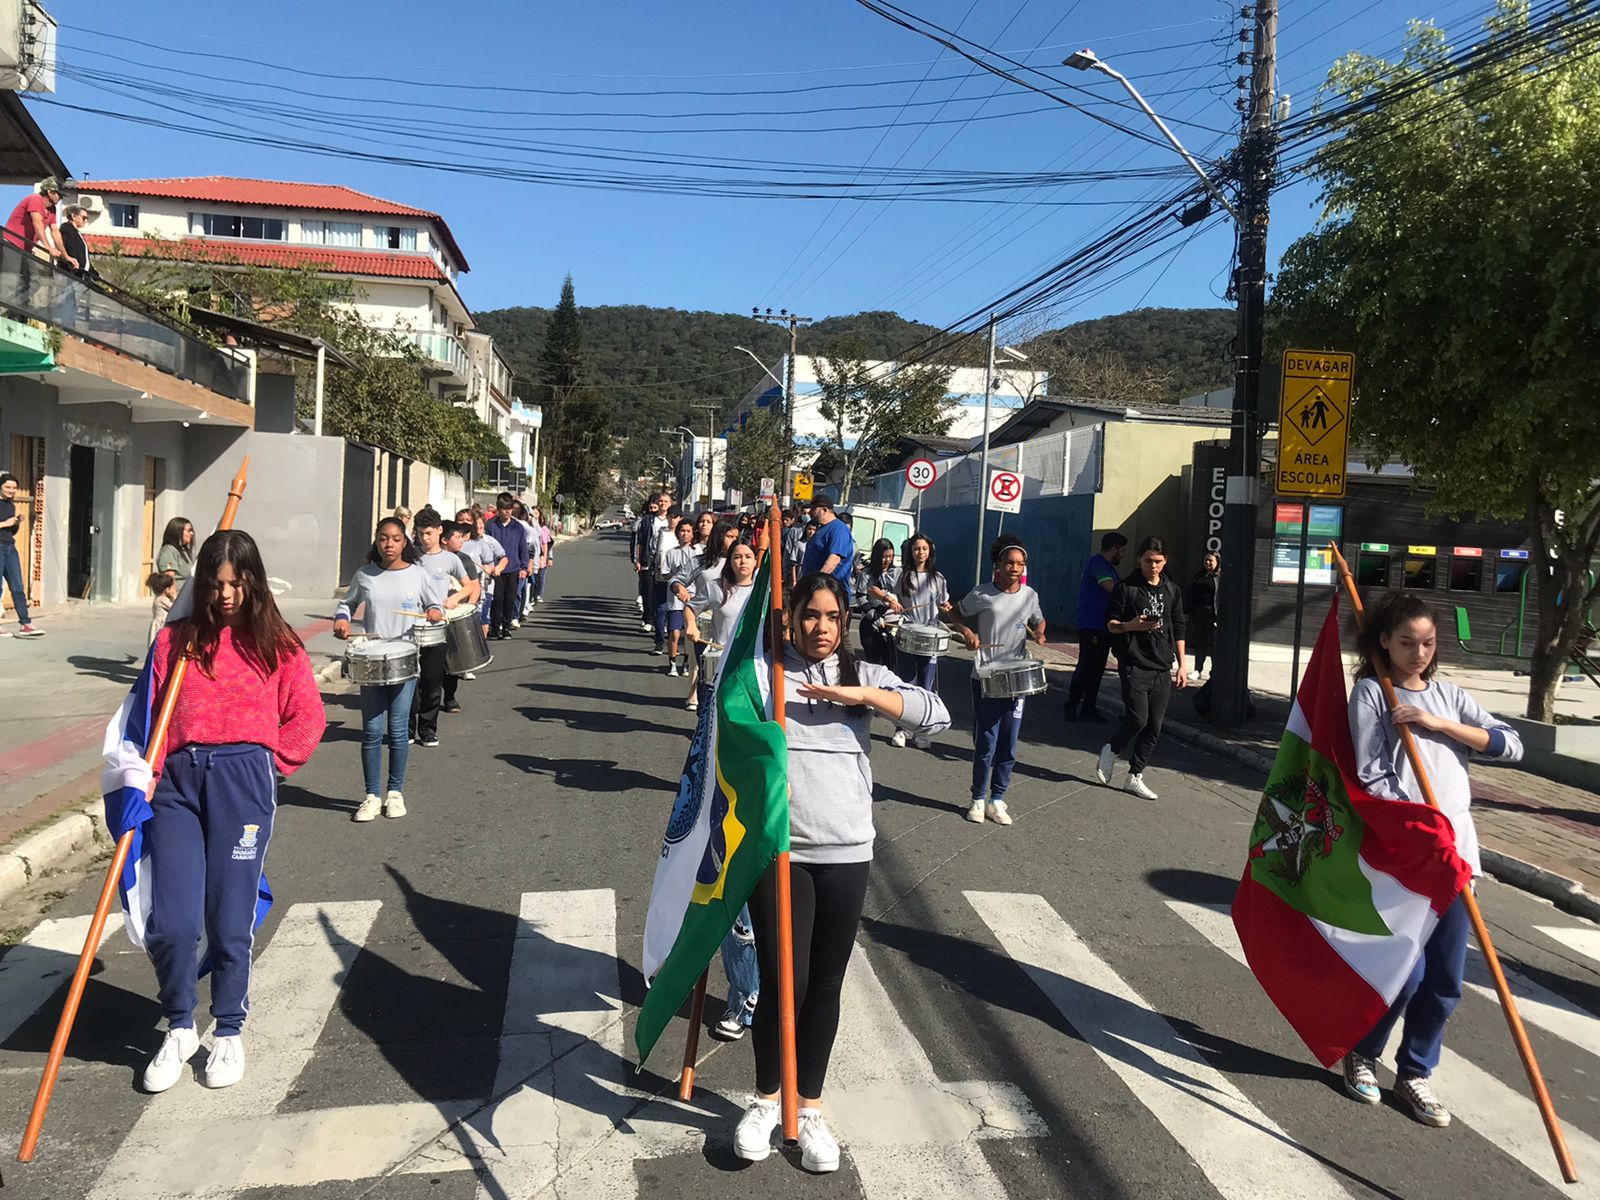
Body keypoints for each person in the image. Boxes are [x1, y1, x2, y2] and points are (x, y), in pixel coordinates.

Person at [734, 573, 950, 1172]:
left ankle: (809, 1111)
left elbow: (936, 716)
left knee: (825, 985)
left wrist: (862, 698)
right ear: (791, 616)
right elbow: (725, 729)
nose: (820, 627)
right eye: (809, 615)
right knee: (783, 983)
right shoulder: (765, 673)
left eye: (831, 617)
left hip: (848, 853)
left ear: (844, 620)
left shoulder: (866, 674)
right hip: (781, 854)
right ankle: (765, 1101)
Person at [138, 530, 326, 1094]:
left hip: (244, 782)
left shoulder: (277, 644)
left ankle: (228, 1028)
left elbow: (308, 718)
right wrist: (135, 778)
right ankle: (178, 1026)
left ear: (253, 582)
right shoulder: (176, 641)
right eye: (215, 583)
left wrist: (272, 765)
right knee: (170, 921)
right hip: (175, 784)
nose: (225, 595)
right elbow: (144, 716)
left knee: (228, 915)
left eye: (236, 583)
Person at [1340, 592, 1522, 1127]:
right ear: (1383, 642)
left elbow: (1510, 746)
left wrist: (1439, 724)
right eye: (1406, 642)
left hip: (1460, 856)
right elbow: (1375, 776)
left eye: (1428, 643)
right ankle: (1363, 1053)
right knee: (1407, 972)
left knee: (1446, 978)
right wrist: (1425, 832)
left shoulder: (1450, 695)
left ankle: (1415, 1072)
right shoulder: (1373, 694)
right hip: (1410, 858)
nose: (1418, 652)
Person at [333, 517, 444, 822]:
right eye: (384, 538)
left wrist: (434, 611)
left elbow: (436, 605)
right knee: (371, 731)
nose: (389, 544)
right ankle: (371, 795)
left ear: (404, 542)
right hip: (371, 659)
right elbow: (346, 604)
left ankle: (395, 792)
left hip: (405, 659)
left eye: (396, 539)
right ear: (377, 541)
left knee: (397, 730)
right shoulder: (365, 574)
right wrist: (342, 620)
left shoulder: (418, 575)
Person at [949, 534, 1046, 825]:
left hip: (1016, 678)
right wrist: (967, 633)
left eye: (1020, 564)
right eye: (1009, 562)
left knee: (1009, 742)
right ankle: (978, 798)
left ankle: (998, 799)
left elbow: (1038, 620)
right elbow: (954, 613)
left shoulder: (1030, 596)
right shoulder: (982, 593)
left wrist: (1040, 632)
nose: (1015, 568)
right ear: (998, 564)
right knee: (987, 741)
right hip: (985, 674)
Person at [1096, 535, 1187, 801]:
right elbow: (1110, 624)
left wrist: (1182, 665)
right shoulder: (1126, 588)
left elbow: (1178, 627)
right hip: (1134, 663)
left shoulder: (1172, 590)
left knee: (1154, 726)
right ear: (1139, 559)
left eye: (1158, 561)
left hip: (1162, 666)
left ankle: (1135, 776)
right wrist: (1131, 626)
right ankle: (1111, 750)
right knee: (1138, 718)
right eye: (1148, 560)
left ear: (1165, 561)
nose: (1153, 566)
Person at [410, 511, 468, 745]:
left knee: (432, 682)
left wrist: (455, 599)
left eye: (429, 533)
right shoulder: (410, 556)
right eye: (421, 533)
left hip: (437, 627)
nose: (425, 538)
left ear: (439, 531)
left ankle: (427, 729)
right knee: (411, 681)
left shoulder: (450, 559)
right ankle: (407, 729)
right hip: (411, 625)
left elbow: (469, 585)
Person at [890, 533, 952, 749]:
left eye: (924, 548)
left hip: (930, 637)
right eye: (916, 549)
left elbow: (944, 603)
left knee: (926, 686)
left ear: (930, 551)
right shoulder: (902, 575)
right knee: (906, 682)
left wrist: (948, 608)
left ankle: (922, 731)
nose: (920, 552)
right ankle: (901, 728)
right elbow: (893, 597)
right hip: (907, 632)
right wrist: (893, 603)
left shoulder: (939, 579)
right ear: (911, 551)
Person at [688, 534, 756, 712]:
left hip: (752, 662)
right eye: (737, 557)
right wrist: (691, 625)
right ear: (730, 561)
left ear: (756, 561)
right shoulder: (716, 588)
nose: (743, 562)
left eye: (748, 557)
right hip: (722, 660)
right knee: (715, 712)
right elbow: (690, 608)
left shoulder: (763, 591)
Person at [1065, 532, 1127, 723]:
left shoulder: (1107, 566)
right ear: (1114, 548)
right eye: (1122, 551)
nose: (1122, 556)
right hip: (1091, 624)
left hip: (1103, 626)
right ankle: (1072, 704)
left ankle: (1089, 707)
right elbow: (1111, 588)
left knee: (1097, 668)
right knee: (1086, 666)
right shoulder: (1098, 564)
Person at [684, 519, 741, 711]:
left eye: (737, 537)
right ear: (719, 537)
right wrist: (679, 589)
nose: (734, 540)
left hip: (731, 630)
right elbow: (678, 580)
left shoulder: (744, 570)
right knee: (704, 665)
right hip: (704, 619)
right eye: (729, 536)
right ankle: (699, 704)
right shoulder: (702, 563)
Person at [439, 520, 484, 714]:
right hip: (435, 617)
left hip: (456, 616)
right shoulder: (430, 559)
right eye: (457, 537)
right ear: (444, 540)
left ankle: (449, 697)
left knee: (453, 660)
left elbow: (475, 587)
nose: (462, 541)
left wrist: (468, 609)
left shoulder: (464, 560)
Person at [0, 472, 41, 637]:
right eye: (8, 487)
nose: (11, 491)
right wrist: (4, 523)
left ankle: (26, 623)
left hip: (10, 547)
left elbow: (11, 531)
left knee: (18, 586)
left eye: (14, 488)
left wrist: (16, 522)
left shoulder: (11, 505)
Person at [485, 492, 529, 640]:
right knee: (497, 599)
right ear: (498, 509)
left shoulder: (518, 527)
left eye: (509, 508)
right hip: (496, 570)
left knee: (510, 599)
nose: (507, 511)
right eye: (504, 508)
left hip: (513, 569)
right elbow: (486, 546)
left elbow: (523, 548)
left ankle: (507, 627)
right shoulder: (490, 526)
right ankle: (495, 627)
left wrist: (524, 567)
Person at [457, 507, 506, 640]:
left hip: (478, 588)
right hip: (457, 590)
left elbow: (492, 563)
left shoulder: (480, 543)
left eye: (468, 520)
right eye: (461, 520)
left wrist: (490, 568)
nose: (465, 523)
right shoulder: (453, 543)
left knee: (479, 620)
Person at [661, 517, 699, 677]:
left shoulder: (698, 554)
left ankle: (686, 663)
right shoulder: (672, 553)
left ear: (692, 534)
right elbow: (664, 574)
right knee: (675, 632)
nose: (685, 534)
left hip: (693, 598)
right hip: (676, 599)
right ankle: (672, 663)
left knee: (689, 634)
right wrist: (674, 576)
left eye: (688, 531)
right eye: (682, 531)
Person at [800, 497, 855, 600]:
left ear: (824, 510)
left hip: (830, 594)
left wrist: (817, 584)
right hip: (815, 591)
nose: (810, 512)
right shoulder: (821, 529)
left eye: (813, 509)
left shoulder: (838, 529)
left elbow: (834, 559)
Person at [858, 538, 901, 669]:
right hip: (871, 621)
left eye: (890, 556)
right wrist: (874, 616)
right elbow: (861, 597)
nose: (887, 560)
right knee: (873, 663)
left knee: (890, 663)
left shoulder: (897, 572)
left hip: (893, 622)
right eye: (884, 557)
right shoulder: (866, 573)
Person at [649, 504, 683, 655]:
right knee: (659, 611)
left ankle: (672, 639)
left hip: (677, 579)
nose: (673, 520)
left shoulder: (684, 536)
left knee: (675, 611)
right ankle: (659, 641)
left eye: (676, 517)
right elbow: (653, 550)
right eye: (670, 516)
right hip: (660, 577)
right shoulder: (661, 533)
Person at [1187, 552, 1220, 680]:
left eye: (1210, 561)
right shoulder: (1199, 575)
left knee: (1213, 644)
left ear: (1217, 562)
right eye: (1206, 560)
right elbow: (1191, 593)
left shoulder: (1219, 577)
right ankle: (1197, 669)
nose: (1207, 563)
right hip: (1198, 613)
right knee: (1200, 643)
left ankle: (1214, 671)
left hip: (1212, 614)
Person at [58, 203, 100, 280]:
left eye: (87, 218)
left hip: (80, 276)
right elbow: (70, 248)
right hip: (71, 274)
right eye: (84, 218)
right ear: (73, 216)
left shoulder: (77, 233)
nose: (86, 221)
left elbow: (84, 258)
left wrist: (95, 274)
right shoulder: (67, 229)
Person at [156, 516, 197, 583]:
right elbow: (169, 579)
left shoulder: (183, 550)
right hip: (178, 592)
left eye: (192, 531)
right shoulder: (169, 551)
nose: (192, 533)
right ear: (178, 531)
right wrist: (173, 593)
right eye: (189, 530)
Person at [147, 570, 178, 645]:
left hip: (159, 624)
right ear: (167, 589)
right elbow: (175, 607)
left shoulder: (158, 598)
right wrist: (174, 597)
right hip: (160, 625)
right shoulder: (162, 600)